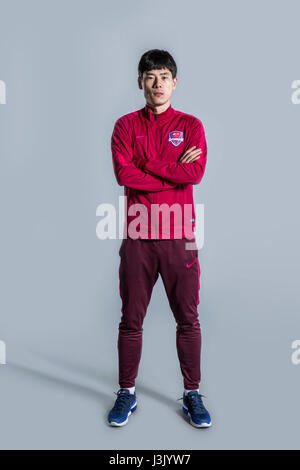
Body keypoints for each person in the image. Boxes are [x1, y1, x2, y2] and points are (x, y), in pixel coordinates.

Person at [107, 49, 211, 428]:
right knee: (130, 320)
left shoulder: (192, 125)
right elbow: (125, 175)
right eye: (150, 77)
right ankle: (126, 393)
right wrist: (172, 170)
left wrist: (146, 164)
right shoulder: (124, 127)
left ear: (175, 82)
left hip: (179, 237)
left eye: (164, 76)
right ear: (140, 82)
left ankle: (192, 394)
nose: (157, 84)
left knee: (188, 318)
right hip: (138, 236)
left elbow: (195, 173)